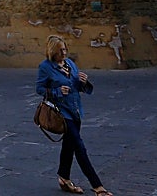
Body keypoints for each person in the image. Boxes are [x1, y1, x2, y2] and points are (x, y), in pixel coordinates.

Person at [36, 35, 113, 195]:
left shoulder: (70, 64)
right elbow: (40, 89)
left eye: (65, 49)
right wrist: (56, 91)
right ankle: (98, 187)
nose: (64, 53)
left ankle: (64, 177)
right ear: (52, 52)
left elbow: (76, 86)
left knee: (69, 145)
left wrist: (83, 81)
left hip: (75, 110)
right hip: (60, 112)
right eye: (60, 51)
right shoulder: (45, 67)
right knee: (79, 147)